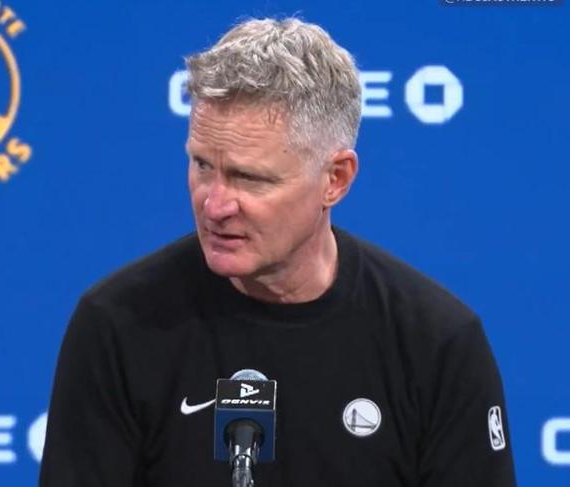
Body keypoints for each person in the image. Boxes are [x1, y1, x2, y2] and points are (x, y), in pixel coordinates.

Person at [40, 17, 516, 486]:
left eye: (249, 178)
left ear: (335, 179)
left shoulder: (436, 344)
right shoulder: (118, 325)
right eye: (202, 166)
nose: (215, 205)